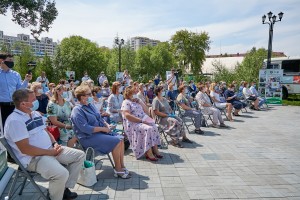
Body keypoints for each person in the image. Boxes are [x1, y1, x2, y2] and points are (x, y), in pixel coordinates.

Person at [4, 88, 85, 200]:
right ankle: (55, 196)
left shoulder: (35, 114)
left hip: (50, 150)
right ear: (23, 104)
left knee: (79, 155)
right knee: (61, 173)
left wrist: (55, 143)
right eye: (34, 99)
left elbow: (46, 132)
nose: (37, 101)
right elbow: (25, 149)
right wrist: (50, 152)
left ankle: (63, 189)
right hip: (33, 158)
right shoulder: (15, 121)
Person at [71, 85, 131, 179]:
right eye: (89, 94)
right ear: (82, 97)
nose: (91, 96)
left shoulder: (90, 105)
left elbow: (100, 118)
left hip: (99, 133)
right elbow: (85, 128)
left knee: (121, 139)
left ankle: (121, 166)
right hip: (88, 137)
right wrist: (103, 129)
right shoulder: (77, 110)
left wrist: (107, 125)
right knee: (116, 141)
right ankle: (118, 169)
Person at [121, 86, 162, 161]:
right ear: (129, 94)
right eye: (134, 92)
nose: (135, 94)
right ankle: (148, 152)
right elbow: (127, 115)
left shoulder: (136, 101)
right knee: (148, 129)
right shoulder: (126, 102)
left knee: (154, 126)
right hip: (133, 123)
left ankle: (155, 149)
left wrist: (140, 101)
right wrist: (141, 121)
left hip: (143, 120)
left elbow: (147, 111)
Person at [0, 54, 32, 128]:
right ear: (2, 61)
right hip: (1, 107)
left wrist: (26, 80)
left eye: (12, 60)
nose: (12, 62)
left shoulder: (16, 75)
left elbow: (19, 90)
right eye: (10, 60)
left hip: (14, 105)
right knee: (3, 128)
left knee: (15, 126)